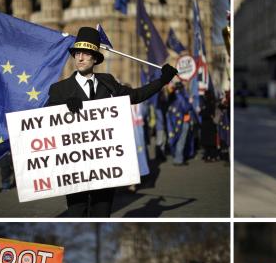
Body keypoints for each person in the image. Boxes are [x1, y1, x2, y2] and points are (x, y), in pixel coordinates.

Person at [45, 26, 177, 217]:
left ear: (95, 58)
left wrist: (162, 81)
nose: (80, 58)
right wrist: (63, 107)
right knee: (76, 213)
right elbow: (46, 122)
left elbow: (135, 95)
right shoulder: (60, 89)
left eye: (86, 54)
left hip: (104, 167)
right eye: (77, 54)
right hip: (75, 168)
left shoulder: (107, 82)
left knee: (102, 214)